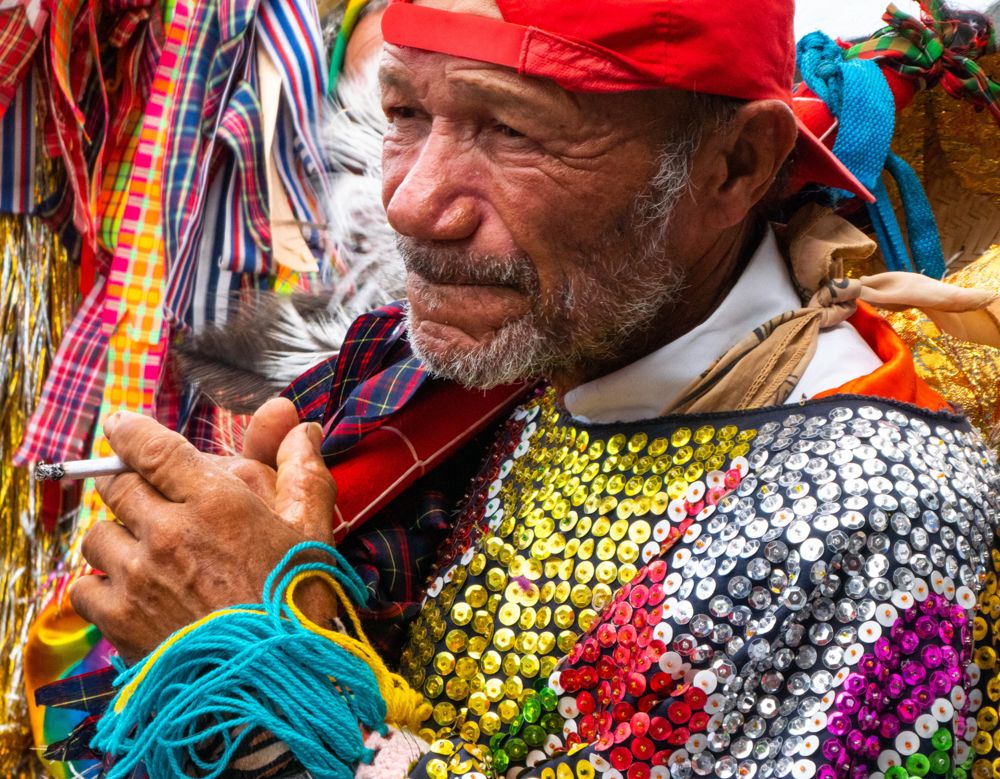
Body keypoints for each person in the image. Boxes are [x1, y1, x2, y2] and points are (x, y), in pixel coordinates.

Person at [63, 1, 1000, 778]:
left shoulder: (872, 510)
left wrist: (267, 660)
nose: (410, 201)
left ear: (734, 165)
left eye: (509, 128)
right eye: (404, 115)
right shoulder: (502, 374)